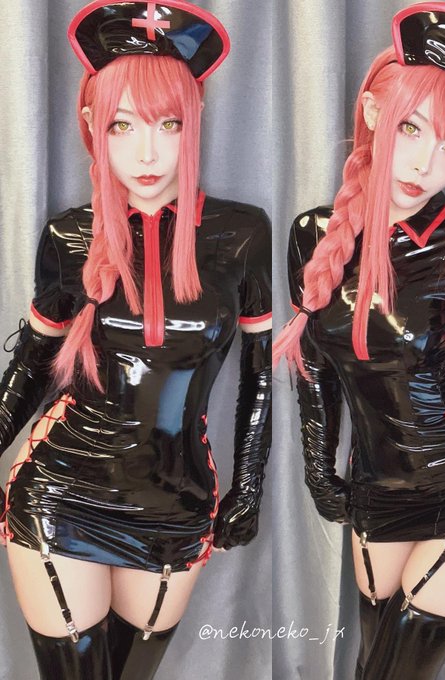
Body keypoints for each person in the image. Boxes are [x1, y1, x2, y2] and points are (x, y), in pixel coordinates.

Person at [0, 2, 272, 679]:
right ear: (93, 125)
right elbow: (32, 364)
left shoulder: (241, 234)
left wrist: (250, 486)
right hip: (62, 487)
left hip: (177, 498)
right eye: (122, 126)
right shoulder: (69, 235)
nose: (146, 152)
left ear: (194, 121)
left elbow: (262, 375)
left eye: (167, 124)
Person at [273, 3, 445, 679]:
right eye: (411, 129)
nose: (426, 163)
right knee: (370, 659)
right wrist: (318, 471)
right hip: (377, 485)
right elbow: (316, 366)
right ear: (372, 112)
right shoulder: (313, 233)